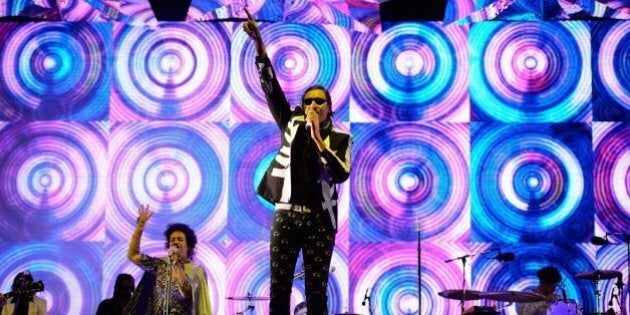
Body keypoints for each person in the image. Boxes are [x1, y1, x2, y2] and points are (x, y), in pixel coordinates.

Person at [242, 8, 352, 315]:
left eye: (320, 101)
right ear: (301, 107)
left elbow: (341, 174)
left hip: (319, 219)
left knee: (317, 292)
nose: (313, 104)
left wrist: (319, 139)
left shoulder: (341, 140)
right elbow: (271, 90)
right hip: (286, 216)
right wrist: (259, 45)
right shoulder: (290, 122)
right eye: (308, 101)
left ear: (330, 108)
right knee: (279, 289)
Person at [124, 204, 213, 315]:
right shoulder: (160, 265)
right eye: (172, 240)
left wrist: (176, 263)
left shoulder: (197, 270)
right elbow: (132, 255)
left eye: (180, 239)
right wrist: (140, 227)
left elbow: (187, 292)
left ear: (189, 245)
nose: (175, 242)